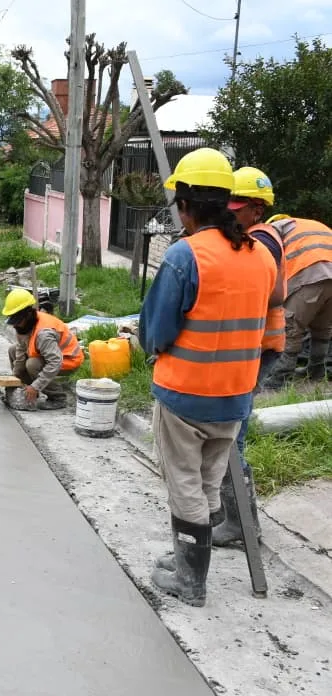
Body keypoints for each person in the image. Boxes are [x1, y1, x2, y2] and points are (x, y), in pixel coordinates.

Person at [139, 148, 276, 607]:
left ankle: (190, 580)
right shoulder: (260, 255)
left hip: (186, 394)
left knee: (184, 486)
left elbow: (157, 332)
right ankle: (187, 558)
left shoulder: (186, 255)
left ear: (186, 205)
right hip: (235, 394)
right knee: (209, 480)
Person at [210, 167, 286, 547]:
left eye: (237, 208)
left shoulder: (262, 242)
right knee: (229, 433)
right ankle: (233, 515)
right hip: (248, 349)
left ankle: (241, 523)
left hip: (256, 350)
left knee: (232, 438)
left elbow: (275, 294)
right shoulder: (249, 238)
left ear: (257, 209)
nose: (230, 213)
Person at [261, 213, 332, 387]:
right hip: (327, 273)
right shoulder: (312, 224)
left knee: (291, 326)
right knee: (322, 327)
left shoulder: (274, 230)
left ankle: (278, 378)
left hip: (310, 274)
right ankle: (316, 372)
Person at [1, 288, 83, 410]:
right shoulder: (24, 325)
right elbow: (20, 350)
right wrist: (15, 378)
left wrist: (36, 386)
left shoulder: (44, 334)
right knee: (12, 349)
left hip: (67, 360)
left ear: (28, 315)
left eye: (17, 321)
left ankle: (58, 398)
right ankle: (28, 391)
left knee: (32, 364)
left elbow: (55, 362)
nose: (15, 325)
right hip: (48, 356)